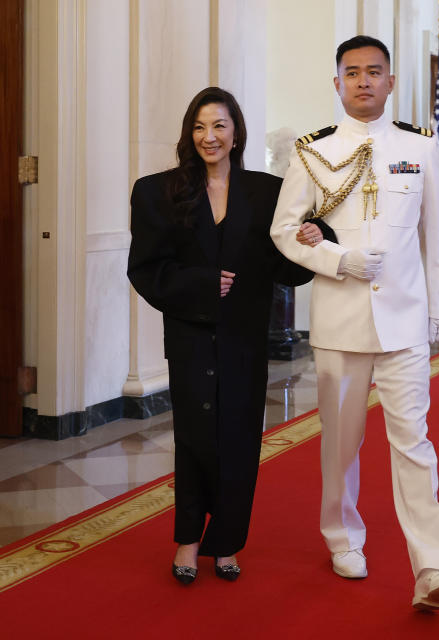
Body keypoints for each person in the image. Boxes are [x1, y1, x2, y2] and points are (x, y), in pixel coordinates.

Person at [270, 36, 439, 611]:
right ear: (337, 83)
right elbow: (284, 230)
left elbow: (437, 235)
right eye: (351, 73)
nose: (362, 81)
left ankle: (433, 565)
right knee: (342, 444)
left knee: (415, 443)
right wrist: (337, 259)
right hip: (341, 320)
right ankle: (342, 535)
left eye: (373, 72)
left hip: (404, 321)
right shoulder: (313, 153)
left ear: (389, 81)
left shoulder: (420, 146)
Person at [127, 87, 319, 585]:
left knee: (238, 440)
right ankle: (188, 541)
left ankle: (228, 542)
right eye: (199, 127)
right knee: (194, 440)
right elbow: (145, 269)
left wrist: (317, 239)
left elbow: (287, 268)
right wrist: (199, 283)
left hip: (244, 338)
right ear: (189, 135)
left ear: (236, 133)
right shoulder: (157, 192)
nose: (209, 137)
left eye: (219, 126)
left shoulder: (267, 192)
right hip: (190, 337)